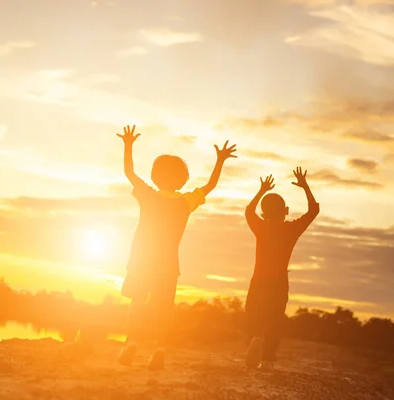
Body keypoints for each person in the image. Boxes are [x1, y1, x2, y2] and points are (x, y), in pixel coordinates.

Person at [116, 125, 237, 370]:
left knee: (137, 302)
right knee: (163, 307)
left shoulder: (147, 195)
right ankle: (159, 347)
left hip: (142, 259)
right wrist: (220, 161)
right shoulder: (186, 202)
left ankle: (132, 341)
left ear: (154, 176)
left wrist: (128, 145)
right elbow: (210, 186)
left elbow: (129, 172)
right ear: (182, 179)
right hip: (168, 263)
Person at [244, 167, 319, 370]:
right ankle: (267, 359)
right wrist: (305, 187)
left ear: (264, 213)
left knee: (252, 313)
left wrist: (261, 191)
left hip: (259, 279)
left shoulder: (261, 227)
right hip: (279, 282)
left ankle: (256, 336)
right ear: (285, 211)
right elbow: (313, 211)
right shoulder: (291, 229)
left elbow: (248, 211)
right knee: (275, 319)